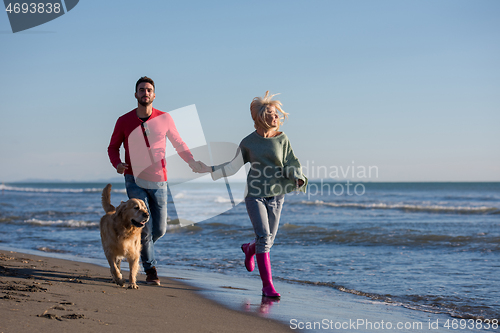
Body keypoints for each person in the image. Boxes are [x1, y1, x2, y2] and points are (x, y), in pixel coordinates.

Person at [197, 91, 307, 297]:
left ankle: (249, 249)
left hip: (277, 194)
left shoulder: (283, 139)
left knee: (269, 240)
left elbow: (292, 161)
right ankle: (267, 287)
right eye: (272, 113)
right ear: (261, 117)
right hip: (255, 194)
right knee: (264, 237)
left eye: (277, 114)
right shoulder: (248, 142)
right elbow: (232, 167)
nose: (277, 117)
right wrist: (209, 169)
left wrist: (297, 176)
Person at [107, 76, 203, 285]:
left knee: (159, 229)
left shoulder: (165, 118)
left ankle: (139, 247)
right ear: (136, 95)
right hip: (134, 178)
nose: (145, 93)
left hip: (159, 180)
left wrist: (191, 161)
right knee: (145, 227)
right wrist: (118, 164)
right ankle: (151, 271)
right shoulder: (124, 121)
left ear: (154, 95)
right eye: (141, 90)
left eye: (149, 90)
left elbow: (178, 143)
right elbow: (112, 147)